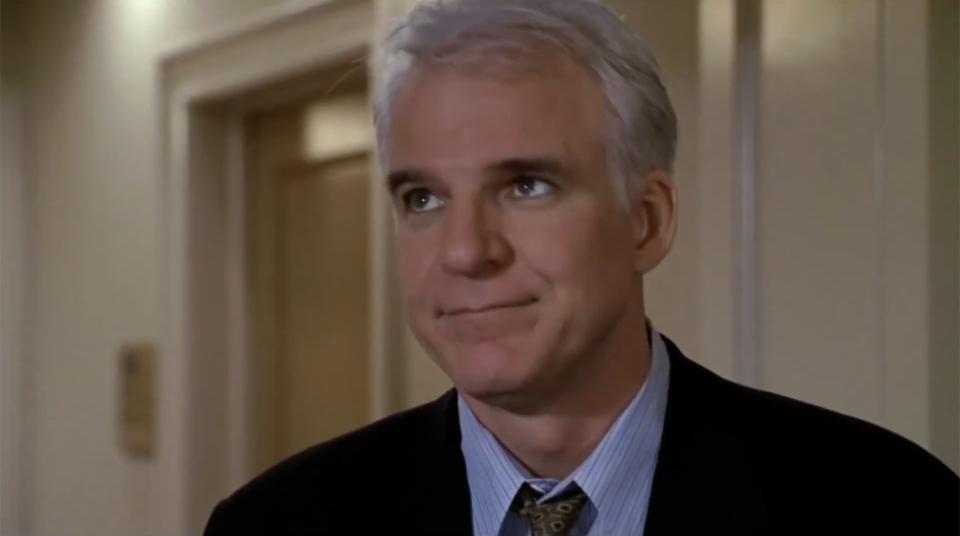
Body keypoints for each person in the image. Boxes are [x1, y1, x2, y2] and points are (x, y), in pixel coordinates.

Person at [203, 1, 958, 534]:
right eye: (424, 197)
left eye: (526, 185)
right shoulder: (279, 522)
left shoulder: (884, 505)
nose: (466, 251)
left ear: (648, 221)